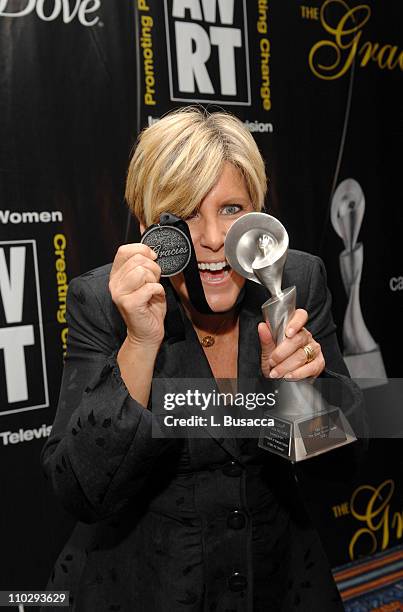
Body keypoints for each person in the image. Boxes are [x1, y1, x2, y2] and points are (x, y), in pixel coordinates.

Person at [41, 107, 360, 611]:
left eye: (232, 209)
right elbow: (80, 490)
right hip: (147, 584)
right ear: (149, 227)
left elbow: (341, 465)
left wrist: (304, 396)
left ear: (258, 212)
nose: (213, 238)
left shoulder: (296, 280)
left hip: (277, 580)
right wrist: (140, 343)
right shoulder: (101, 299)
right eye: (187, 214)